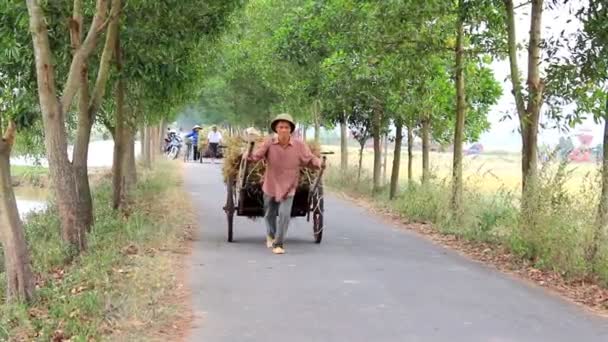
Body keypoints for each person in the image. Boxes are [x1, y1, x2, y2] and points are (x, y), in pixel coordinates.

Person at [248, 113, 324, 255]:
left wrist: (319, 163)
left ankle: (279, 243)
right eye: (281, 127)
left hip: (289, 185)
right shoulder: (269, 142)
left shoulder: (299, 145)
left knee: (284, 214)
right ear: (276, 129)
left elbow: (310, 159)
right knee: (270, 213)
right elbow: (257, 156)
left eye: (286, 127)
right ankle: (271, 234)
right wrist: (249, 156)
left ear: (291, 130)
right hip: (270, 183)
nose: (283, 130)